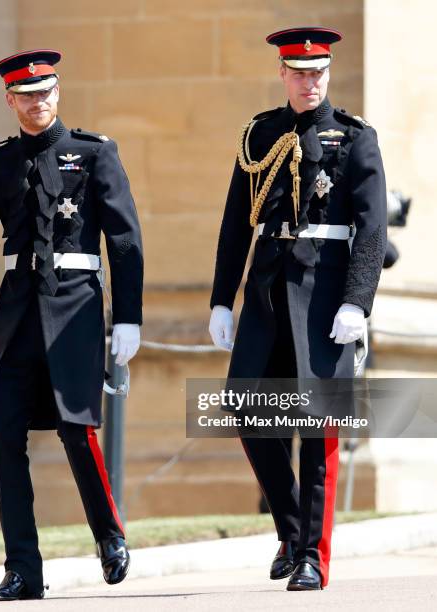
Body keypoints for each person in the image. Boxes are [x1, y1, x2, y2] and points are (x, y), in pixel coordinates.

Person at [0, 49, 143, 601]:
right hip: (16, 313)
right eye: (26, 94)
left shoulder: (93, 152)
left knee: (75, 429)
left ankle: (109, 537)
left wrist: (127, 318)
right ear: (10, 100)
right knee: (6, 436)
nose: (38, 102)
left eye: (46, 92)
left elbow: (125, 241)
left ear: (57, 93)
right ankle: (23, 570)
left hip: (76, 309)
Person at [209, 27, 387, 590]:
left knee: (317, 427)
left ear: (328, 74)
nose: (308, 82)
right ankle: (290, 528)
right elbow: (237, 220)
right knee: (246, 409)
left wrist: (357, 301)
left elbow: (373, 227)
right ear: (283, 74)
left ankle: (311, 554)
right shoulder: (260, 134)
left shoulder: (355, 137)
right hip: (265, 291)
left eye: (317, 73)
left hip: (326, 294)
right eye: (298, 72)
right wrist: (220, 298)